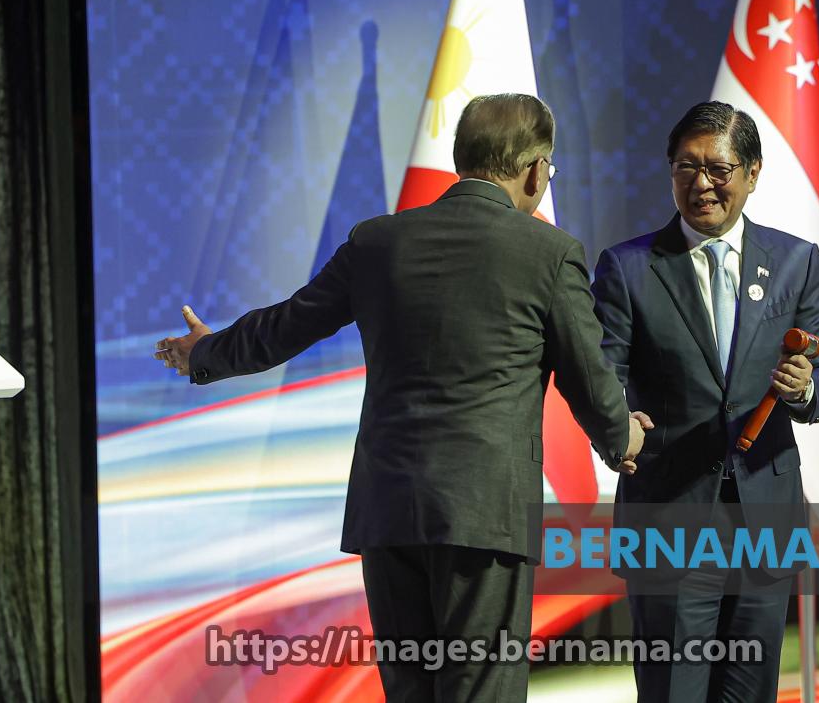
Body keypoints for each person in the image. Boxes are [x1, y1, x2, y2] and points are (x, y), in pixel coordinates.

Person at [154, 92, 651, 702]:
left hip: (388, 511)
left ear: (462, 158)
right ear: (535, 170)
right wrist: (622, 437)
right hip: (484, 518)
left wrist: (205, 351)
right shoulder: (549, 253)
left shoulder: (378, 242)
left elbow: (284, 326)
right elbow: (588, 377)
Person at [591, 101, 819, 702]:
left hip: (765, 520)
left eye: (718, 170)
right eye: (686, 167)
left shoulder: (796, 261)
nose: (701, 183)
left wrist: (804, 387)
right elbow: (599, 377)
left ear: (752, 174)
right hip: (667, 517)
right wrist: (617, 431)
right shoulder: (628, 267)